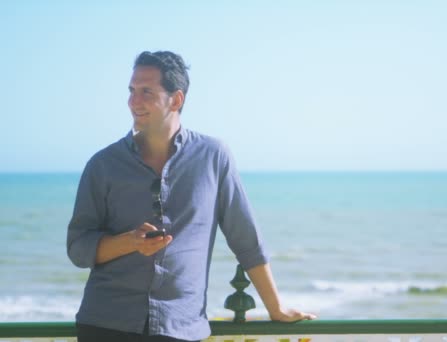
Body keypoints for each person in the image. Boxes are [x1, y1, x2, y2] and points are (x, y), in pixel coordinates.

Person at [67, 50, 315, 342]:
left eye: (146, 91)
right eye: (132, 91)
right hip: (106, 325)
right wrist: (129, 242)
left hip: (180, 328)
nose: (134, 102)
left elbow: (245, 238)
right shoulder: (103, 164)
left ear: (176, 99)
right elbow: (78, 247)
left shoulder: (214, 156)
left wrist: (276, 308)